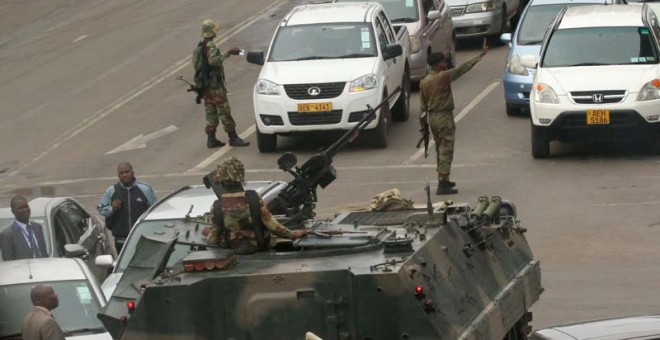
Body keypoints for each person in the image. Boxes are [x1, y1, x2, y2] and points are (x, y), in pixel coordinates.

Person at [420, 38, 488, 195]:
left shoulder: (424, 82)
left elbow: (422, 107)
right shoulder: (443, 76)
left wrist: (424, 126)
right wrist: (480, 55)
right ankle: (443, 183)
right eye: (443, 62)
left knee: (439, 148)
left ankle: (443, 178)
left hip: (432, 118)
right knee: (446, 148)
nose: (446, 64)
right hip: (443, 117)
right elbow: (463, 68)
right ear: (437, 65)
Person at [205, 157, 307, 253]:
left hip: (234, 252)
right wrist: (293, 235)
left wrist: (207, 234)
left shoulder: (217, 206)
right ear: (240, 177)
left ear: (220, 180)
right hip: (259, 248)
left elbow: (214, 238)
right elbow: (271, 224)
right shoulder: (253, 198)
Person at [193, 19, 250, 148]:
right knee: (224, 111)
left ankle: (211, 139)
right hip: (215, 86)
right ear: (212, 31)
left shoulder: (200, 47)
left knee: (211, 112)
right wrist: (228, 53)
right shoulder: (211, 45)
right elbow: (213, 61)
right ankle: (233, 137)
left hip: (206, 86)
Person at [97, 162, 156, 253]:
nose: (124, 175)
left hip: (142, 237)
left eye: (127, 172)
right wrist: (112, 208)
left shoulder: (145, 189)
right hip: (121, 239)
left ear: (132, 173)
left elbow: (154, 210)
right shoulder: (111, 191)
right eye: (121, 173)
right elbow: (101, 209)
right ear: (118, 175)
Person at [0, 195, 47, 260]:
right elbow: (9, 262)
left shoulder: (37, 227)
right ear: (13, 211)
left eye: (26, 206)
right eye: (20, 208)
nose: (25, 210)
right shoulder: (7, 235)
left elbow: (44, 253)